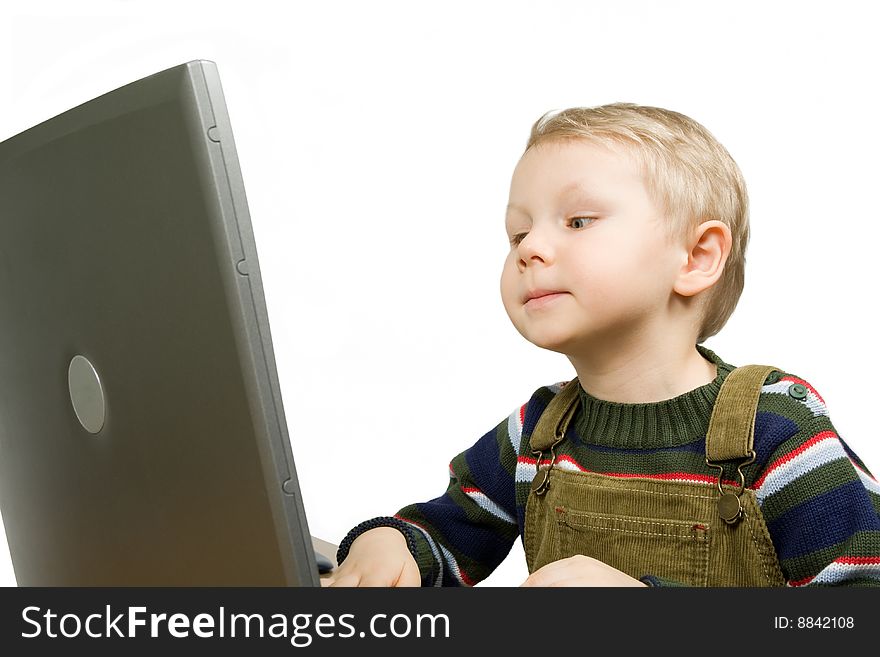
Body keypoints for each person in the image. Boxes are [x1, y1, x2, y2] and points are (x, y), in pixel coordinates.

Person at [323, 103, 880, 587]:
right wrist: (395, 544)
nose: (530, 249)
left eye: (579, 220)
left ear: (696, 257)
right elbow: (446, 533)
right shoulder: (536, 435)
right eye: (518, 233)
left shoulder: (776, 431)